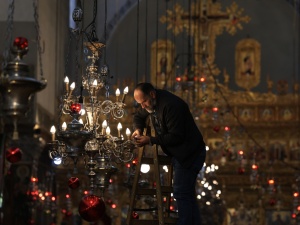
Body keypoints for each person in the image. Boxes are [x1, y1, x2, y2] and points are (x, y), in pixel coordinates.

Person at [131, 82, 206, 225]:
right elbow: (138, 116)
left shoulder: (171, 105)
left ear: (152, 94)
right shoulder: (150, 104)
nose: (143, 106)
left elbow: (176, 136)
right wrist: (138, 130)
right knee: (187, 195)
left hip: (190, 154)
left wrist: (150, 140)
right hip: (181, 154)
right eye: (140, 103)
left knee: (180, 193)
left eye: (144, 101)